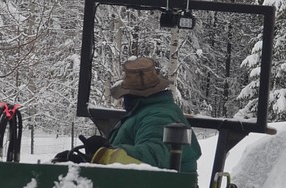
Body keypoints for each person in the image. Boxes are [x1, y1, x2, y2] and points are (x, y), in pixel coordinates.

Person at [56, 56, 202, 173]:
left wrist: (105, 153)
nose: (124, 100)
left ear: (135, 95)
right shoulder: (145, 111)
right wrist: (87, 159)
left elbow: (154, 155)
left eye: (126, 95)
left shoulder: (159, 116)